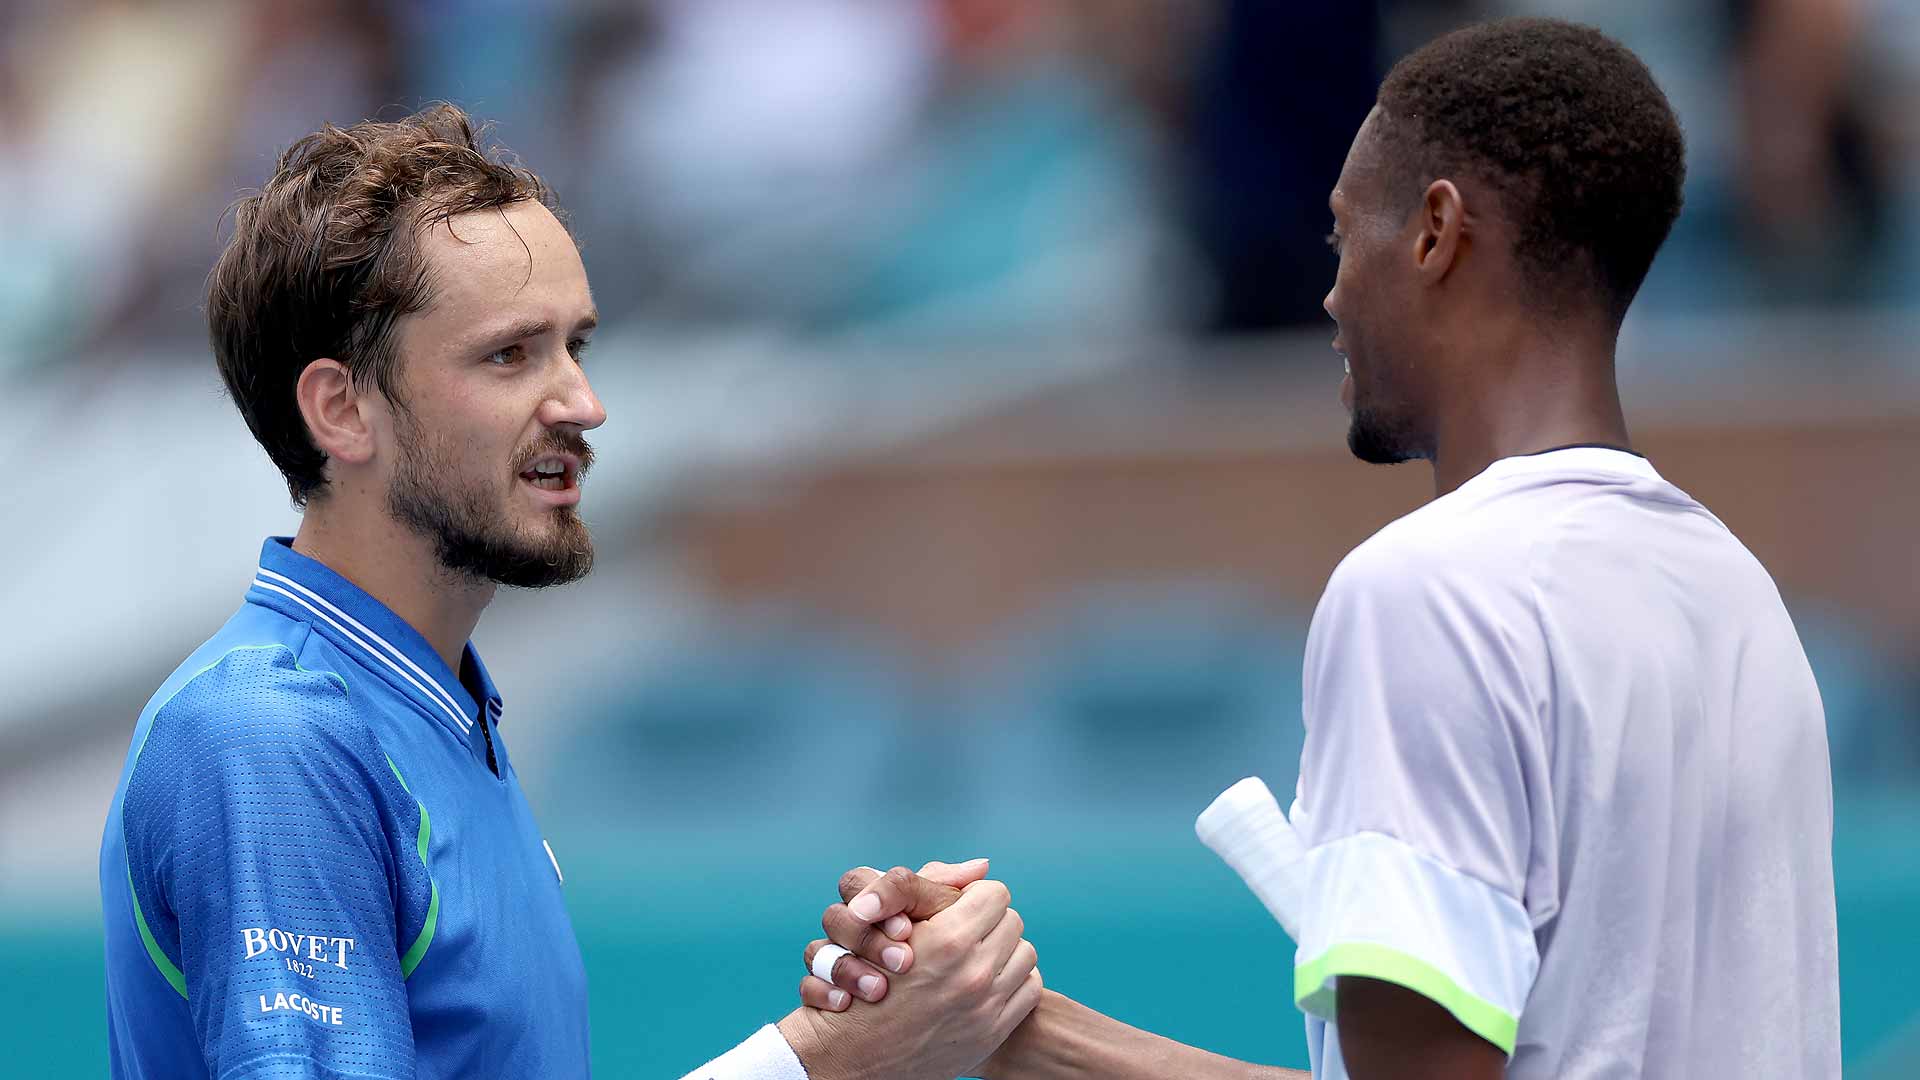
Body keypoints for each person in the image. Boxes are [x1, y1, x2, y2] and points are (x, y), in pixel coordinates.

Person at [801, 18, 1841, 1078]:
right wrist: (1012, 1028)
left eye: (1345, 237)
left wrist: (1009, 1038)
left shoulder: (1430, 592)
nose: (1332, 293)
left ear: (1436, 232)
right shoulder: (1739, 593)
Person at [97, 104, 1039, 1080]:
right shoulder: (268, 734)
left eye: (576, 347)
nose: (583, 405)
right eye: (510, 354)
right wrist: (822, 1061)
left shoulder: (437, 711)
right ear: (343, 409)